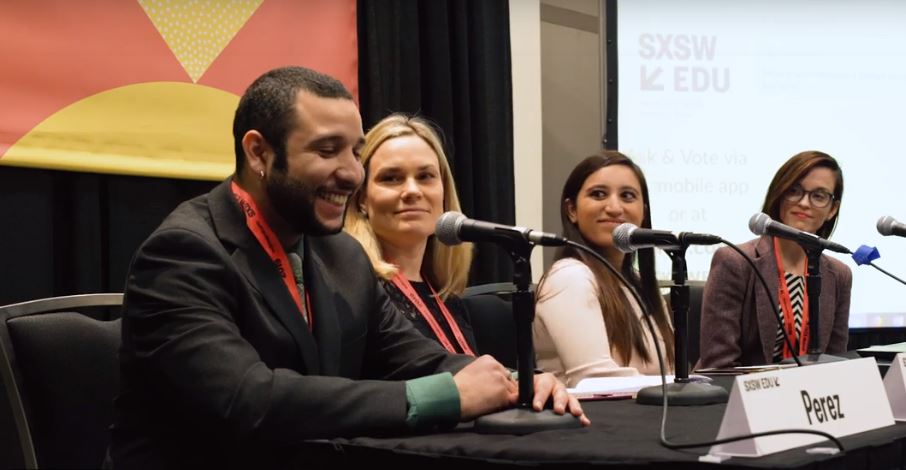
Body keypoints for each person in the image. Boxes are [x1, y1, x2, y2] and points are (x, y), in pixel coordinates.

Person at [110, 66, 587, 468]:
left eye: (355, 151)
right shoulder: (183, 252)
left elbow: (416, 358)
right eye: (325, 150)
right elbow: (247, 401)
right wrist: (444, 397)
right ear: (258, 153)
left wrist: (511, 383)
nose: (351, 173)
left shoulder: (342, 255)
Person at [533, 152, 675, 388]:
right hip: (595, 420)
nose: (614, 207)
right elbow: (595, 382)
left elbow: (670, 371)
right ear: (572, 210)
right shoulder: (570, 277)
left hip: (648, 417)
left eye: (627, 196)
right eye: (598, 194)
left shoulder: (640, 284)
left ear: (643, 212)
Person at [698, 151, 851, 368]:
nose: (804, 203)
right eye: (794, 190)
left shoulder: (838, 274)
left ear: (832, 209)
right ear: (779, 194)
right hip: (745, 396)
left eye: (819, 196)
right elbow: (719, 365)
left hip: (811, 397)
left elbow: (836, 363)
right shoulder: (735, 261)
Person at [344, 113, 477, 355]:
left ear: (444, 192)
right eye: (391, 178)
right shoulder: (355, 292)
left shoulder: (445, 297)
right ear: (362, 198)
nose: (412, 191)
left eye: (425, 176)